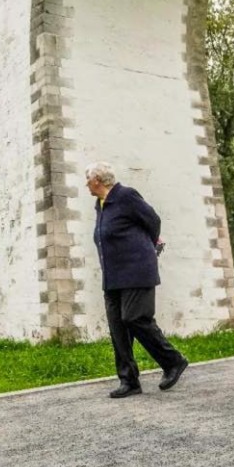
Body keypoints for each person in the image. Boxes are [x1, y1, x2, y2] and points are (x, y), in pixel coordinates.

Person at [85, 161, 189, 398]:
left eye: (88, 180)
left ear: (98, 180)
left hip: (136, 271)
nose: (86, 184)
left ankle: (173, 361)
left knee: (135, 318)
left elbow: (153, 221)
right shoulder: (100, 205)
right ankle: (129, 381)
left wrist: (147, 248)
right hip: (113, 277)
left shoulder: (125, 196)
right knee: (118, 328)